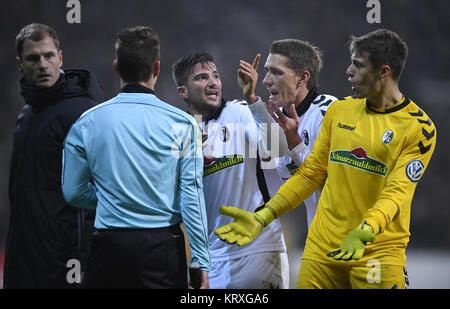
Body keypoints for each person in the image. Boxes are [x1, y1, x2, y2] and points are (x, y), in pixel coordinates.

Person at [215, 29, 437, 289]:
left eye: (275, 72)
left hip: (374, 251)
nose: (348, 72)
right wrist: (263, 216)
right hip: (320, 248)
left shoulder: (331, 111)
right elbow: (296, 166)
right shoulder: (339, 111)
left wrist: (366, 228)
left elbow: (393, 192)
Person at [61, 26, 210, 289]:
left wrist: (112, 197)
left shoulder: (87, 122)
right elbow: (192, 197)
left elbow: (72, 192)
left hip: (108, 248)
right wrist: (200, 260)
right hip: (162, 249)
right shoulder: (183, 124)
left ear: (117, 68)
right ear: (157, 68)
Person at [172, 52, 289, 288]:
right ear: (183, 91)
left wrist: (253, 98)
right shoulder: (179, 135)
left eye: (215, 76)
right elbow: (175, 200)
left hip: (257, 249)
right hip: (210, 258)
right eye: (202, 77)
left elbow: (278, 150)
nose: (213, 82)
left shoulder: (239, 112)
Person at [4, 23, 103, 289]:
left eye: (49, 56)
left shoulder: (83, 113)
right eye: (33, 58)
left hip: (64, 264)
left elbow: (101, 192)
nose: (43, 64)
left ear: (61, 57)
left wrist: (83, 261)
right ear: (19, 63)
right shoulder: (26, 115)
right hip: (26, 258)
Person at [241, 39, 337, 228]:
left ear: (302, 78)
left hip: (344, 236)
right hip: (317, 238)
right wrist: (251, 98)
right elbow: (286, 170)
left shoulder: (329, 111)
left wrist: (296, 144)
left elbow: (332, 182)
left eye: (276, 72)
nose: (266, 80)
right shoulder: (284, 118)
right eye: (267, 71)